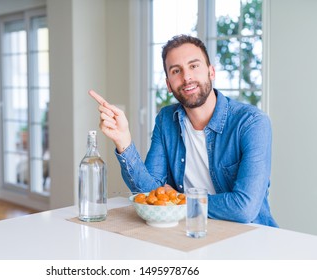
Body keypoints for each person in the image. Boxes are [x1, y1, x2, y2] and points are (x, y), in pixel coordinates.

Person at [89, 34, 278, 227]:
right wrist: (124, 142)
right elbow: (151, 194)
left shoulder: (252, 123)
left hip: (249, 238)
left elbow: (244, 208)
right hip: (189, 232)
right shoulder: (166, 120)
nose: (186, 77)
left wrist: (180, 199)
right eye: (176, 71)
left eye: (194, 66)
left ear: (211, 72)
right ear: (169, 85)